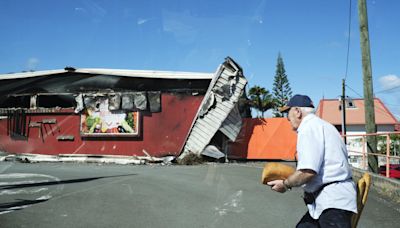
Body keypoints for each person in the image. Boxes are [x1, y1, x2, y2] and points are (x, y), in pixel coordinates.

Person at [267, 94, 357, 228]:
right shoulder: (322, 125)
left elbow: (308, 171)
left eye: (288, 112)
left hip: (333, 202)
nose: (287, 118)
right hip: (330, 200)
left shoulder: (307, 128)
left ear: (297, 112)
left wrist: (285, 184)